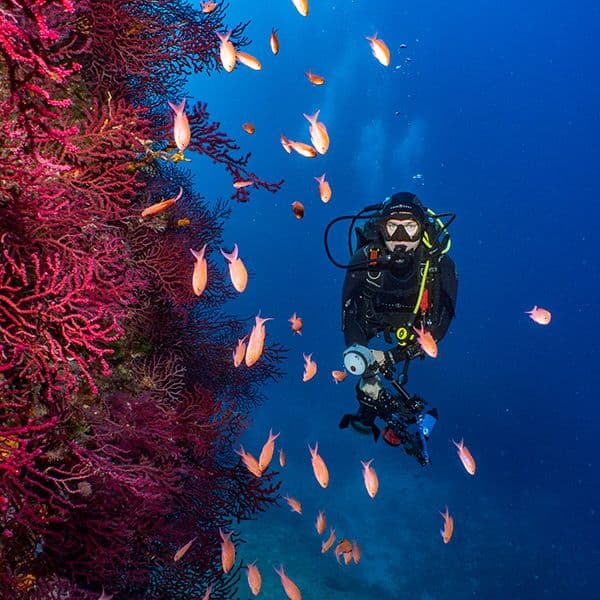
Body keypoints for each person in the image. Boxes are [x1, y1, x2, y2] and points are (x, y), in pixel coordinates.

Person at [326, 192, 458, 465]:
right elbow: (349, 315)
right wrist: (362, 357)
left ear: (422, 229)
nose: (400, 236)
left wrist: (390, 357)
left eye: (410, 227)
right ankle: (368, 413)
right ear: (381, 228)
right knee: (366, 383)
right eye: (392, 226)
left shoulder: (439, 266)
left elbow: (442, 322)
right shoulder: (364, 259)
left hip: (415, 332)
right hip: (373, 321)